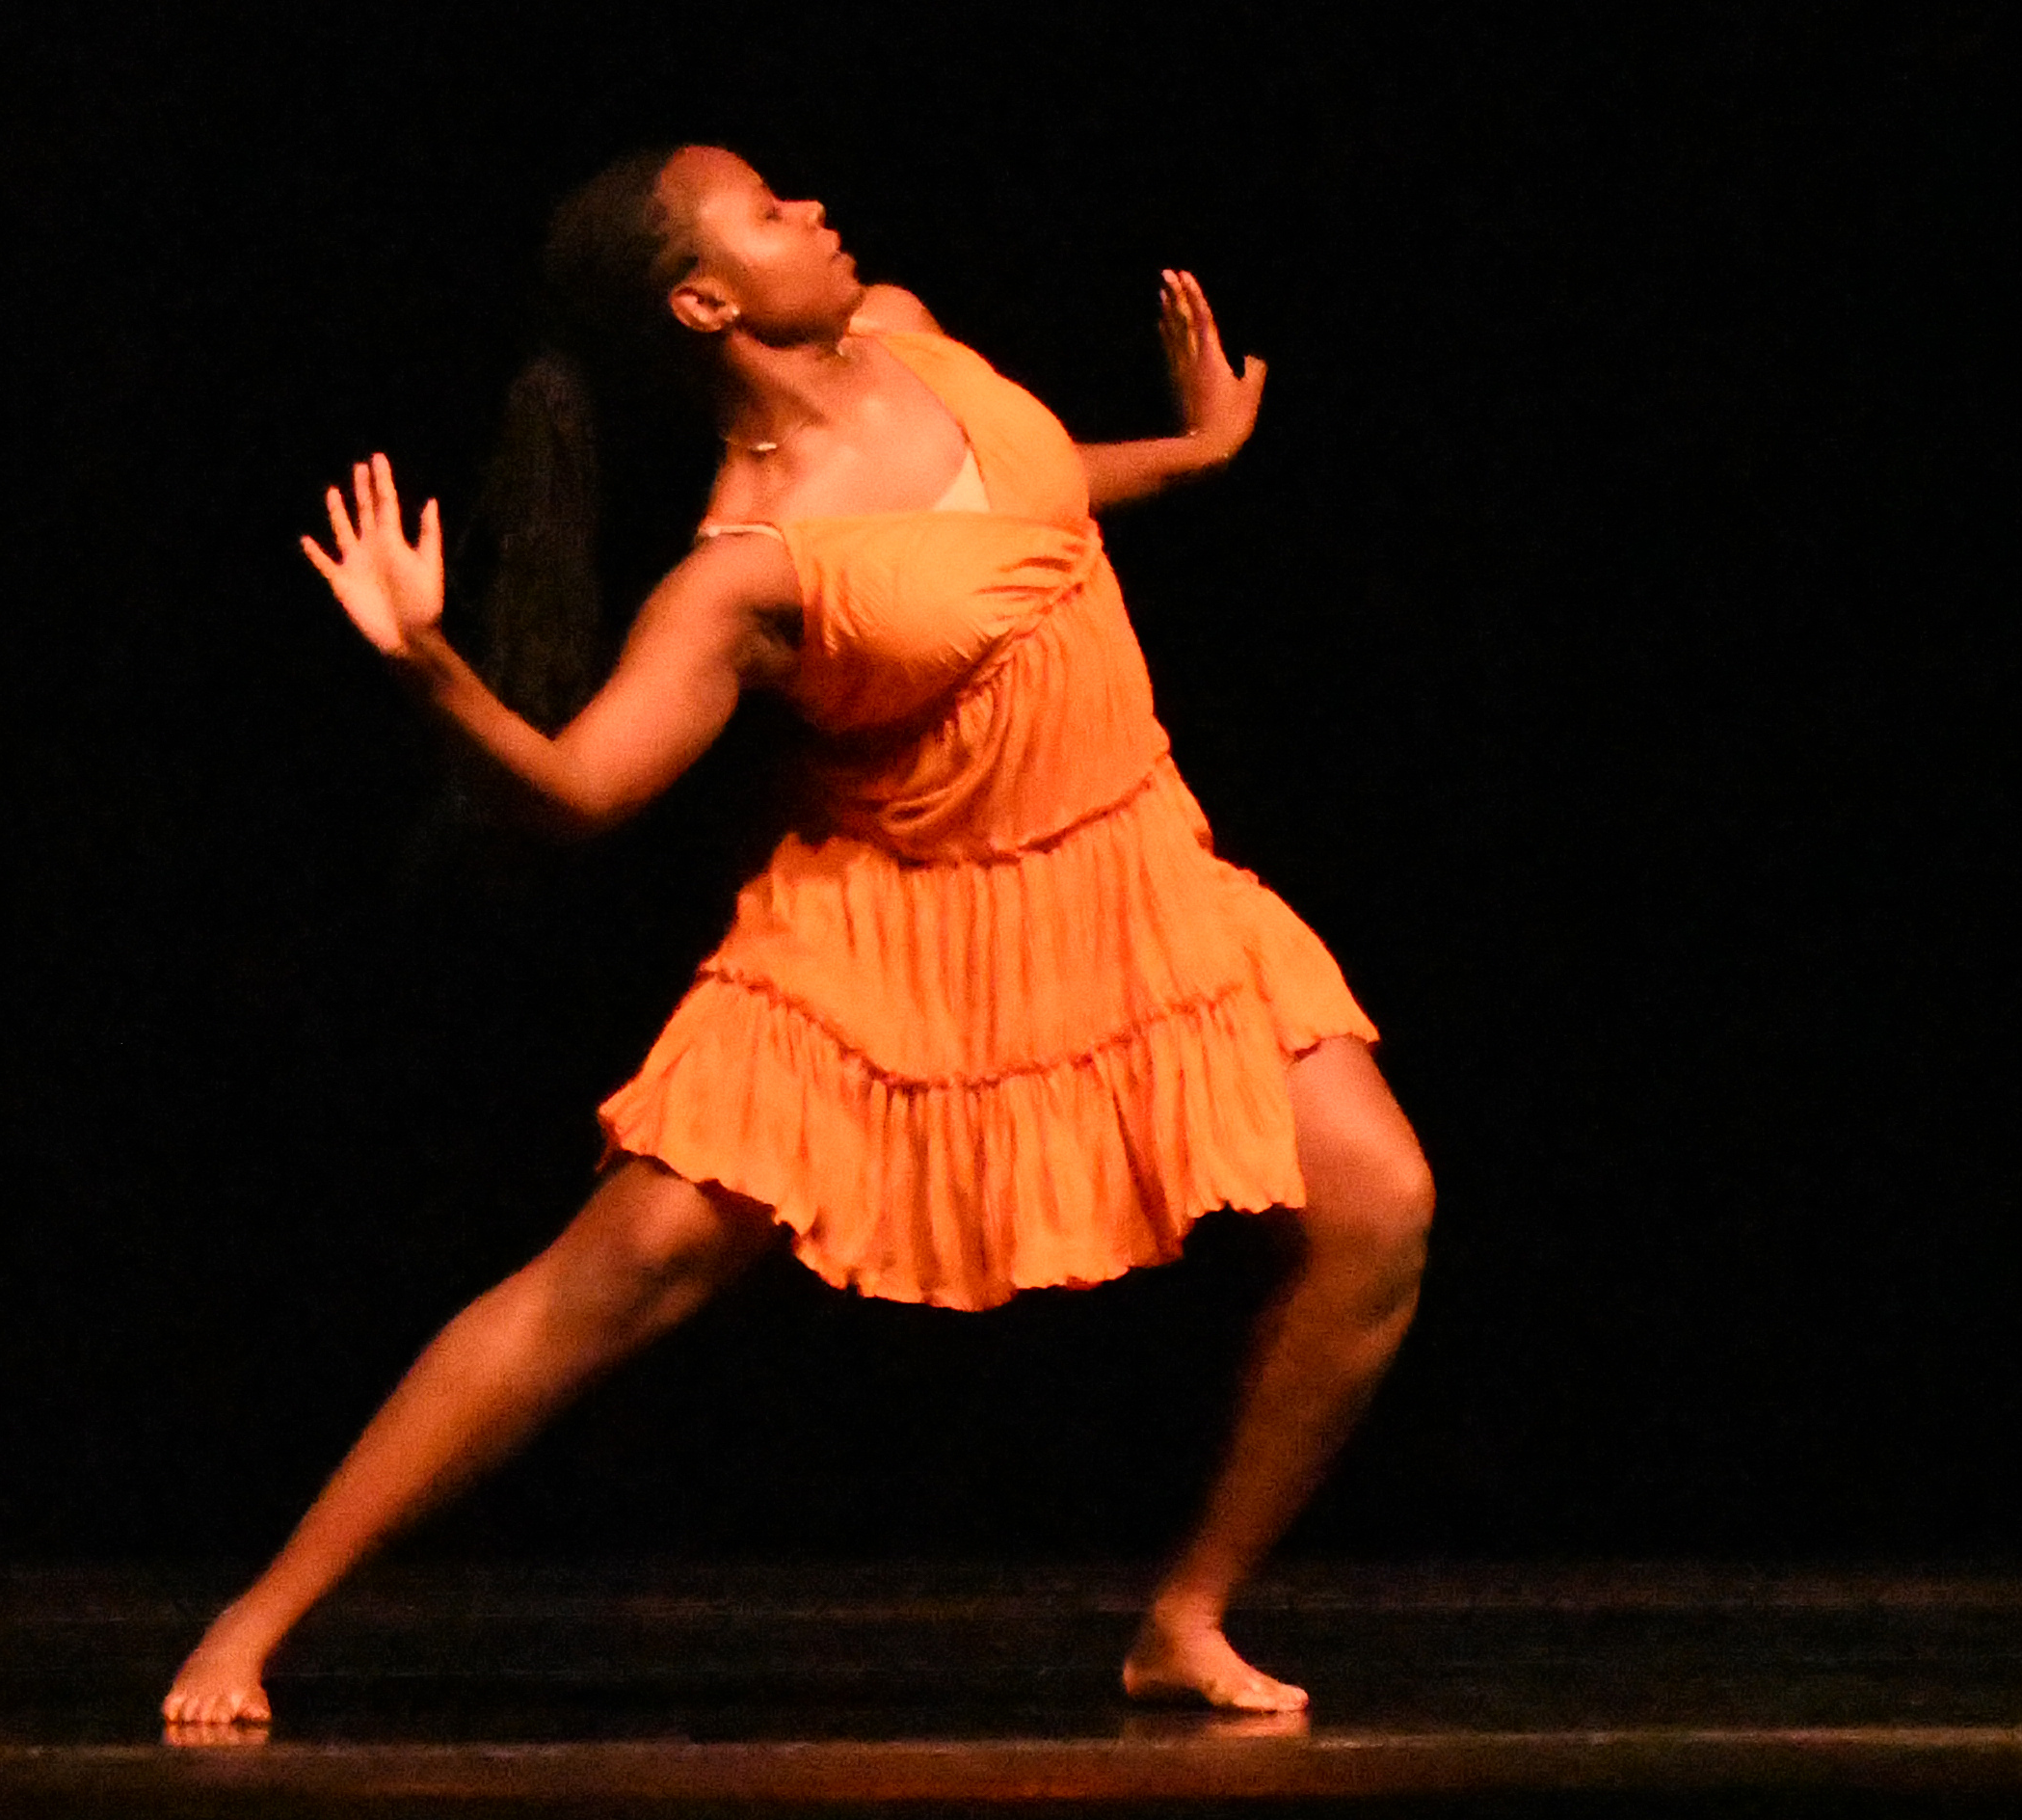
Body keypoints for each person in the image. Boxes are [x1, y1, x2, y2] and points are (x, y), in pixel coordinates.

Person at [162, 146, 1432, 1726]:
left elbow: (1024, 500)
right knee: (627, 1264)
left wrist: (1190, 455)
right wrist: (433, 670)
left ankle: (1184, 1617)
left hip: (1131, 872)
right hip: (886, 937)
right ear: (704, 301)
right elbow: (578, 793)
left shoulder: (906, 330)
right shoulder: (742, 567)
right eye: (767, 215)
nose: (816, 213)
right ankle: (254, 1620)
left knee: (1379, 1203)